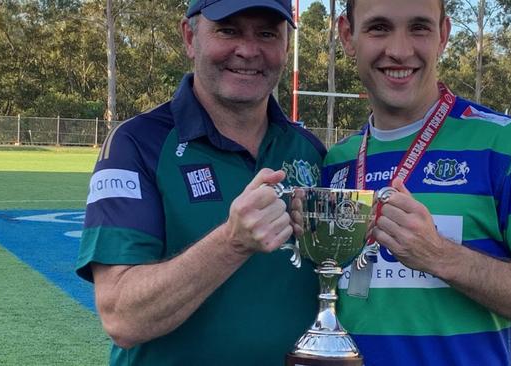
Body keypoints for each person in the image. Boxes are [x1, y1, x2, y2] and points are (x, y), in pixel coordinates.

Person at [321, 0, 511, 364]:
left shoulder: (508, 146)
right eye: (379, 27)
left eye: (419, 27)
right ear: (347, 36)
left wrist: (439, 256)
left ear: (443, 35)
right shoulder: (337, 162)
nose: (400, 50)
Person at [75, 0, 326, 365]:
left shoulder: (312, 152)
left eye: (267, 34)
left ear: (286, 45)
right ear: (190, 37)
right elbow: (122, 317)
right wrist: (232, 243)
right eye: (228, 30)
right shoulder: (137, 143)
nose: (248, 50)